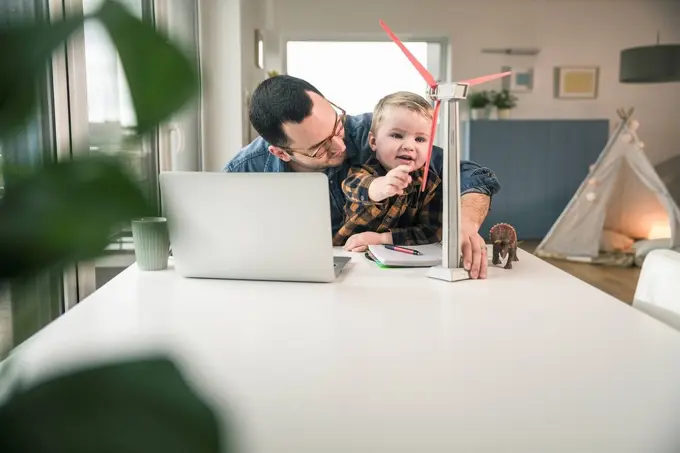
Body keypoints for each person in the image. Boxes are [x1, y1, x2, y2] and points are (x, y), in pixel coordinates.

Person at [224, 75, 500, 279]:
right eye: (321, 148)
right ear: (281, 153)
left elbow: (470, 174)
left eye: (336, 126)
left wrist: (464, 224)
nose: (341, 146)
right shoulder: (248, 167)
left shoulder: (377, 132)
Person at [332, 91, 441, 252]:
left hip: (399, 257)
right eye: (397, 135)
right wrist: (379, 187)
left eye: (420, 139)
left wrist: (381, 239)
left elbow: (431, 232)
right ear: (373, 141)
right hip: (349, 252)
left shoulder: (429, 183)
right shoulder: (363, 172)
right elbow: (352, 186)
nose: (409, 146)